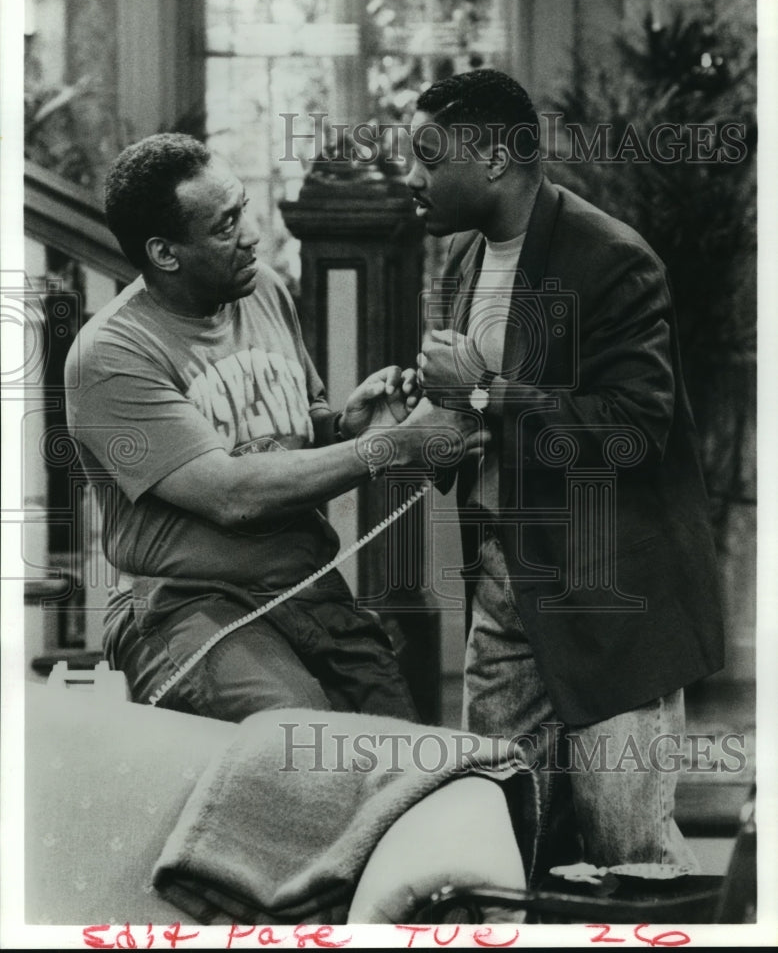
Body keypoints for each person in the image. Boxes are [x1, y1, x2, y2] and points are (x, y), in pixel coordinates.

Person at [407, 69, 725, 881]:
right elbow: (489, 413)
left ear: (492, 160)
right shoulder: (461, 259)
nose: (412, 178)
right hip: (506, 595)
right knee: (499, 848)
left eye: (426, 156)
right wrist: (437, 414)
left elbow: (633, 431)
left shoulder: (614, 260)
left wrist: (481, 388)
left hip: (609, 600)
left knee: (629, 859)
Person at [65, 132, 480, 724]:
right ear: (164, 253)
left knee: (401, 751)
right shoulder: (110, 354)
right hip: (189, 604)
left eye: (243, 210)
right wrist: (393, 445)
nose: (252, 235)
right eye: (225, 224)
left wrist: (343, 425)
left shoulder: (261, 290)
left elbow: (285, 432)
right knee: (299, 746)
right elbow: (235, 495)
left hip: (307, 586)